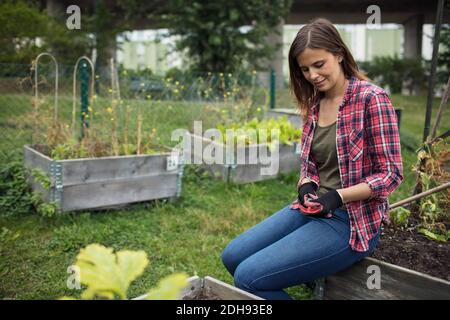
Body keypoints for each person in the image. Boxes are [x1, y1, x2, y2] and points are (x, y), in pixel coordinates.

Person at [221, 18, 403, 300]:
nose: (313, 75)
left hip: (350, 221)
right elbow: (310, 165)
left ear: (339, 54)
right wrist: (307, 185)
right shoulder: (314, 104)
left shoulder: (372, 99)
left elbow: (391, 174)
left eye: (319, 64)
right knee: (232, 257)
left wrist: (337, 197)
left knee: (249, 278)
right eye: (305, 69)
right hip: (313, 208)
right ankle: (307, 270)